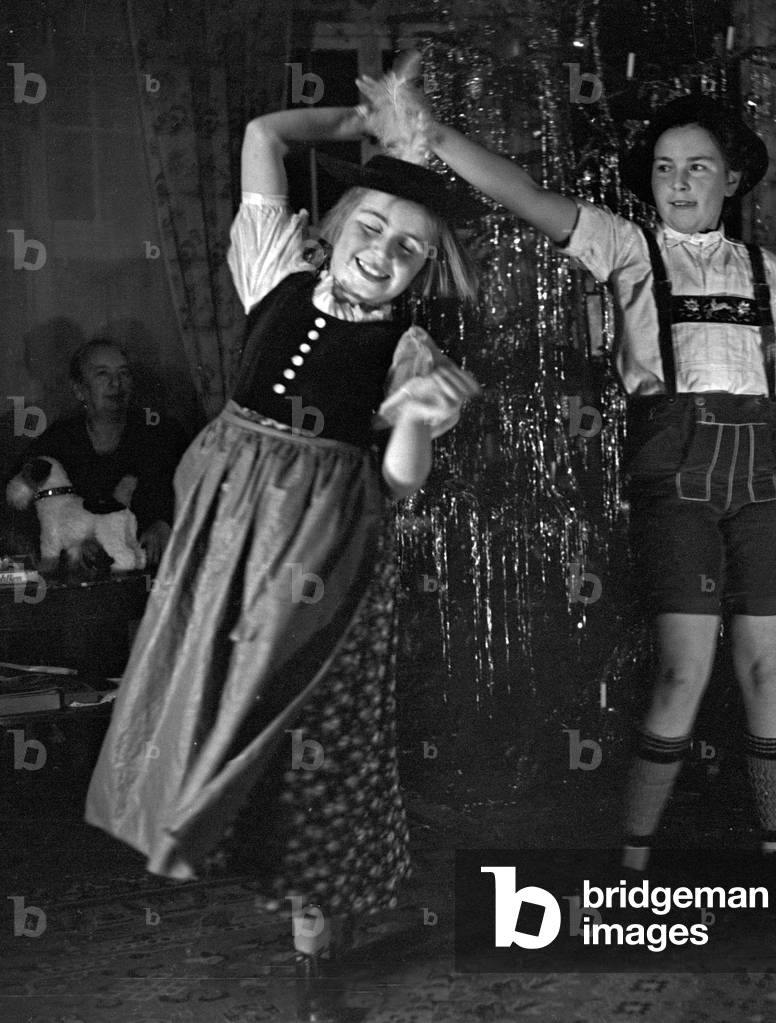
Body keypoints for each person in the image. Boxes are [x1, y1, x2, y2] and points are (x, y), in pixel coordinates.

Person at [362, 76, 776, 867]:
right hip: (675, 479)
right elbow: (524, 194)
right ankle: (633, 857)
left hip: (764, 481)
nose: (679, 181)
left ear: (733, 177)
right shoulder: (628, 247)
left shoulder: (768, 274)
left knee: (766, 667)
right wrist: (434, 133)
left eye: (697, 166)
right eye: (663, 167)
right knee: (681, 674)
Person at [84, 68, 481, 1011]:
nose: (384, 255)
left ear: (424, 272)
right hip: (227, 531)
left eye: (410, 251)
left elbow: (398, 478)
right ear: (335, 226)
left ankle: (315, 949)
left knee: (313, 731)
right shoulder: (274, 274)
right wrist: (369, 123)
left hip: (324, 549)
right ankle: (205, 834)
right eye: (372, 229)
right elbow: (264, 132)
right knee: (209, 707)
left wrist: (419, 422)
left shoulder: (408, 350)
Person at [19, 338, 187, 567]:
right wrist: (77, 541)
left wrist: (166, 522)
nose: (116, 383)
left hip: (155, 569)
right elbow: (20, 501)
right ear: (80, 390)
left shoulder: (162, 433)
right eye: (102, 374)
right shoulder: (58, 440)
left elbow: (196, 490)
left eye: (124, 373)